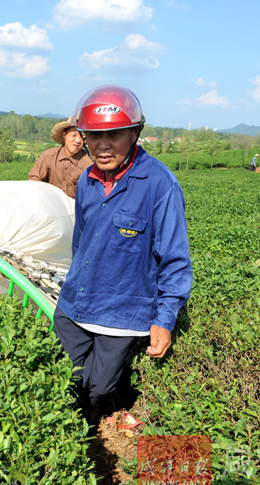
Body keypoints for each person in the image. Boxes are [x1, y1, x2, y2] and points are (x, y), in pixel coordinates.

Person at [53, 85, 193, 423]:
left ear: (134, 133)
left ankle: (104, 421)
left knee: (97, 390)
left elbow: (175, 258)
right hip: (74, 307)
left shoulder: (160, 184)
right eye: (93, 136)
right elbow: (81, 242)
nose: (102, 146)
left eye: (113, 135)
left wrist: (165, 318)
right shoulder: (87, 179)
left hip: (121, 314)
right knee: (63, 381)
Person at [28, 120, 93, 198]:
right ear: (64, 135)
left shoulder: (88, 165)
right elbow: (33, 183)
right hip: (48, 204)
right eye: (74, 135)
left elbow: (91, 195)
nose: (78, 140)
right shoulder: (48, 157)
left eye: (82, 137)